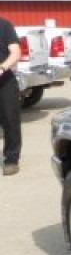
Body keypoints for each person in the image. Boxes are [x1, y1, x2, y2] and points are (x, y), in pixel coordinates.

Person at [0, 15, 22, 176]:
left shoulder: (5, 25)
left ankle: (11, 160)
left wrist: (3, 67)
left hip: (4, 80)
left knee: (10, 120)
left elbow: (15, 52)